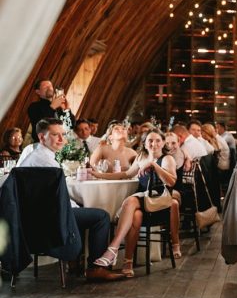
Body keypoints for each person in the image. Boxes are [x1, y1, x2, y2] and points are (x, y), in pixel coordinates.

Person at [20, 118, 123, 281]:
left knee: (80, 207)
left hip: (30, 220)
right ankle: (96, 268)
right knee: (102, 216)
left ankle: (74, 262)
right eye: (55, 135)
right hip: (49, 220)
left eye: (63, 134)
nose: (62, 139)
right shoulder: (47, 162)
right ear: (41, 137)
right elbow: (59, 199)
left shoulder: (34, 156)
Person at [94, 131, 182, 276]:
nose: (154, 144)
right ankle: (127, 262)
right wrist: (99, 175)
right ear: (145, 143)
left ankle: (113, 249)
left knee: (129, 201)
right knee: (136, 215)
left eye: (157, 140)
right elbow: (126, 174)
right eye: (150, 141)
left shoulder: (167, 159)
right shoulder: (141, 157)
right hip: (143, 202)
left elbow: (171, 182)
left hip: (159, 203)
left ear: (163, 142)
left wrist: (154, 165)